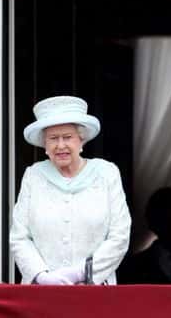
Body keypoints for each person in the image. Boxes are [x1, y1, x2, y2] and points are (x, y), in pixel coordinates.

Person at [10, 95, 131, 285]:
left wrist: (80, 273)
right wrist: (43, 277)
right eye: (53, 138)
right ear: (45, 145)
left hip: (94, 291)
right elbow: (19, 237)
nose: (60, 145)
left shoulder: (107, 173)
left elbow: (120, 236)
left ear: (81, 140)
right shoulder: (33, 176)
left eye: (67, 137)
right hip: (42, 293)